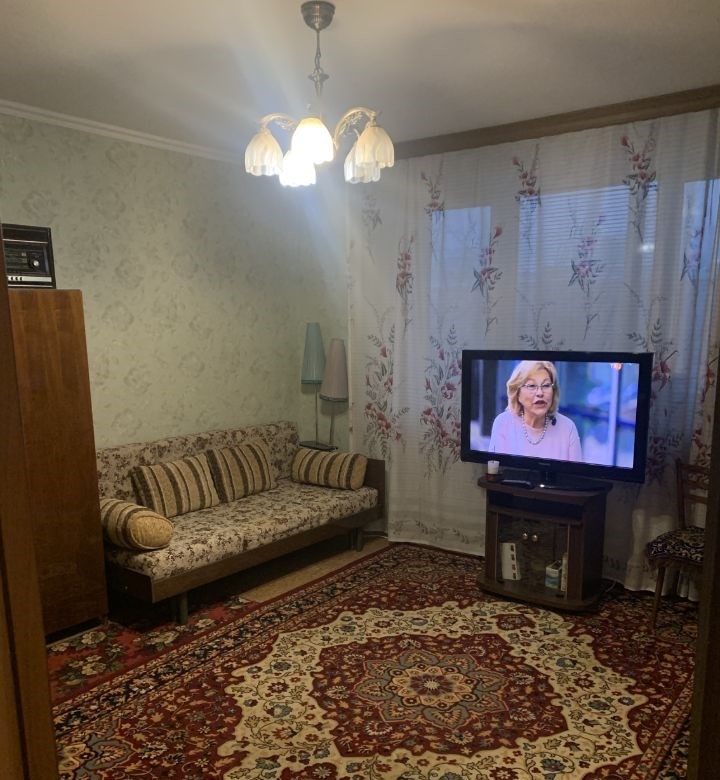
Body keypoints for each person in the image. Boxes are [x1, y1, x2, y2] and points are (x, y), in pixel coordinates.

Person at [489, 360, 582, 460]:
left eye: (546, 385)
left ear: (554, 391)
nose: (540, 393)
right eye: (532, 386)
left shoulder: (568, 428)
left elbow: (576, 470)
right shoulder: (503, 423)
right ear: (517, 392)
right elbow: (495, 467)